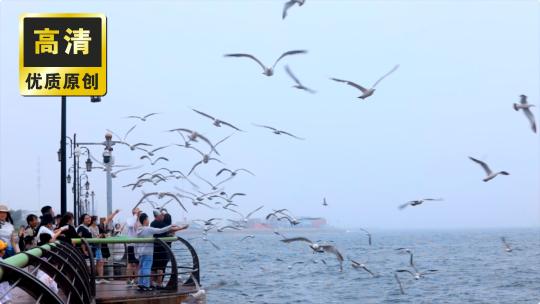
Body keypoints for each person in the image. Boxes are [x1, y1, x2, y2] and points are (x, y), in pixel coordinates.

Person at [135, 213, 187, 291]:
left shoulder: (138, 230)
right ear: (145, 220)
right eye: (147, 219)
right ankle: (145, 285)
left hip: (141, 252)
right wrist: (170, 226)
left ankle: (141, 283)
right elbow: (160, 231)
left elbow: (136, 243)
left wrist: (136, 252)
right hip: (148, 252)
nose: (148, 220)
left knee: (141, 268)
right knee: (146, 268)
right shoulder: (148, 229)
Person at [152, 212, 173, 288]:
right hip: (164, 250)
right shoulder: (165, 227)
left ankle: (153, 282)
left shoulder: (153, 223)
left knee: (154, 267)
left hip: (154, 248)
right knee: (162, 267)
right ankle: (159, 284)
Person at [124, 208, 141, 287]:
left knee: (138, 263)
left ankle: (137, 280)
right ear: (134, 213)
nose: (139, 213)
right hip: (131, 244)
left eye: (140, 212)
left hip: (138, 245)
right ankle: (128, 281)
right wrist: (135, 215)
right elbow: (130, 225)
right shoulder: (130, 220)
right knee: (130, 263)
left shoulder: (139, 221)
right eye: (138, 211)